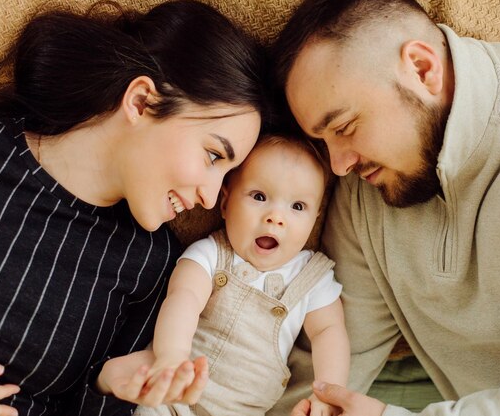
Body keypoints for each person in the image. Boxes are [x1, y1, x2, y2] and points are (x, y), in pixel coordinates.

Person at [267, 0, 500, 415]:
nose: (338, 165)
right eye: (324, 142)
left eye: (344, 127)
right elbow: (325, 376)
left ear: (423, 69)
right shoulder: (367, 190)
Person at [0, 0, 269, 415]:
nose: (210, 197)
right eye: (212, 156)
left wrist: (107, 384)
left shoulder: (150, 261)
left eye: (228, 176)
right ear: (141, 101)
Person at [135, 133, 349, 416]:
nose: (276, 217)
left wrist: (327, 394)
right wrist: (171, 355)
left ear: (315, 218)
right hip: (174, 395)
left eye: (297, 206)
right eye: (259, 196)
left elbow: (329, 333)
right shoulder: (210, 254)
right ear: (225, 203)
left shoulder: (312, 278)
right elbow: (183, 297)